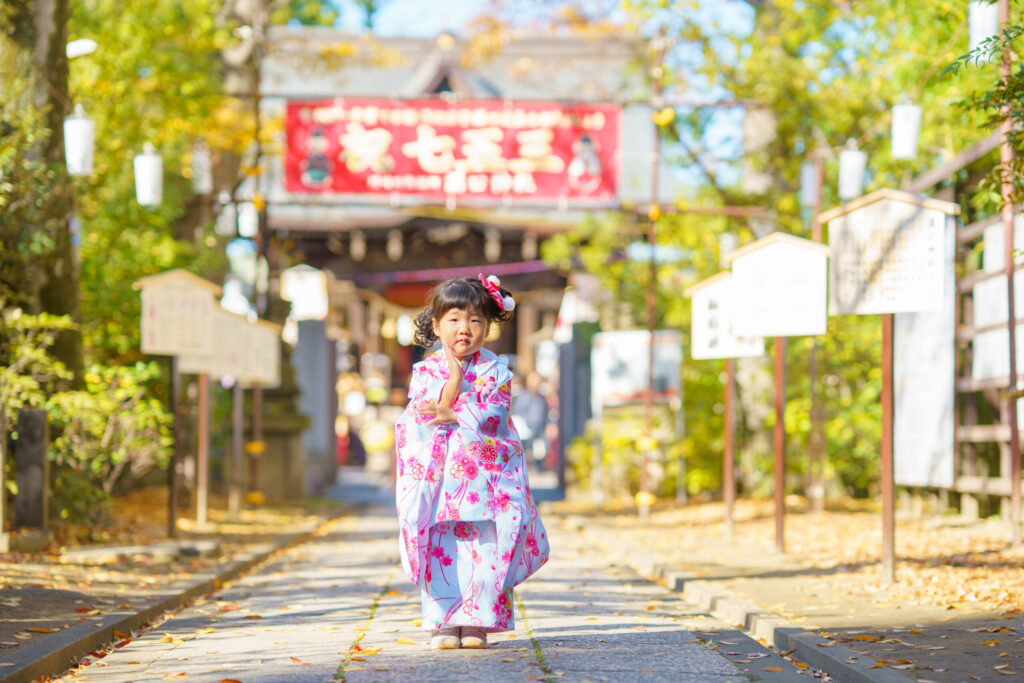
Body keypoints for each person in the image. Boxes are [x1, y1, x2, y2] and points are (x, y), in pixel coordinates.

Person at [394, 275, 549, 651]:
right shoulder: (426, 371)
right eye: (454, 319)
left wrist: (454, 413)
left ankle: (477, 623)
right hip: (439, 483)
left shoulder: (497, 370)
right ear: (436, 325)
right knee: (442, 550)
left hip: (485, 485)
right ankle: (444, 623)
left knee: (484, 551)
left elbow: (494, 416)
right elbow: (420, 417)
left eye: (475, 320)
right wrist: (455, 378)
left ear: (488, 326)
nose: (464, 328)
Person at [511, 371, 550, 469]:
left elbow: (545, 413)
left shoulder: (541, 397)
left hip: (540, 429)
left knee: (540, 452)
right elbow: (518, 411)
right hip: (527, 429)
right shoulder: (523, 396)